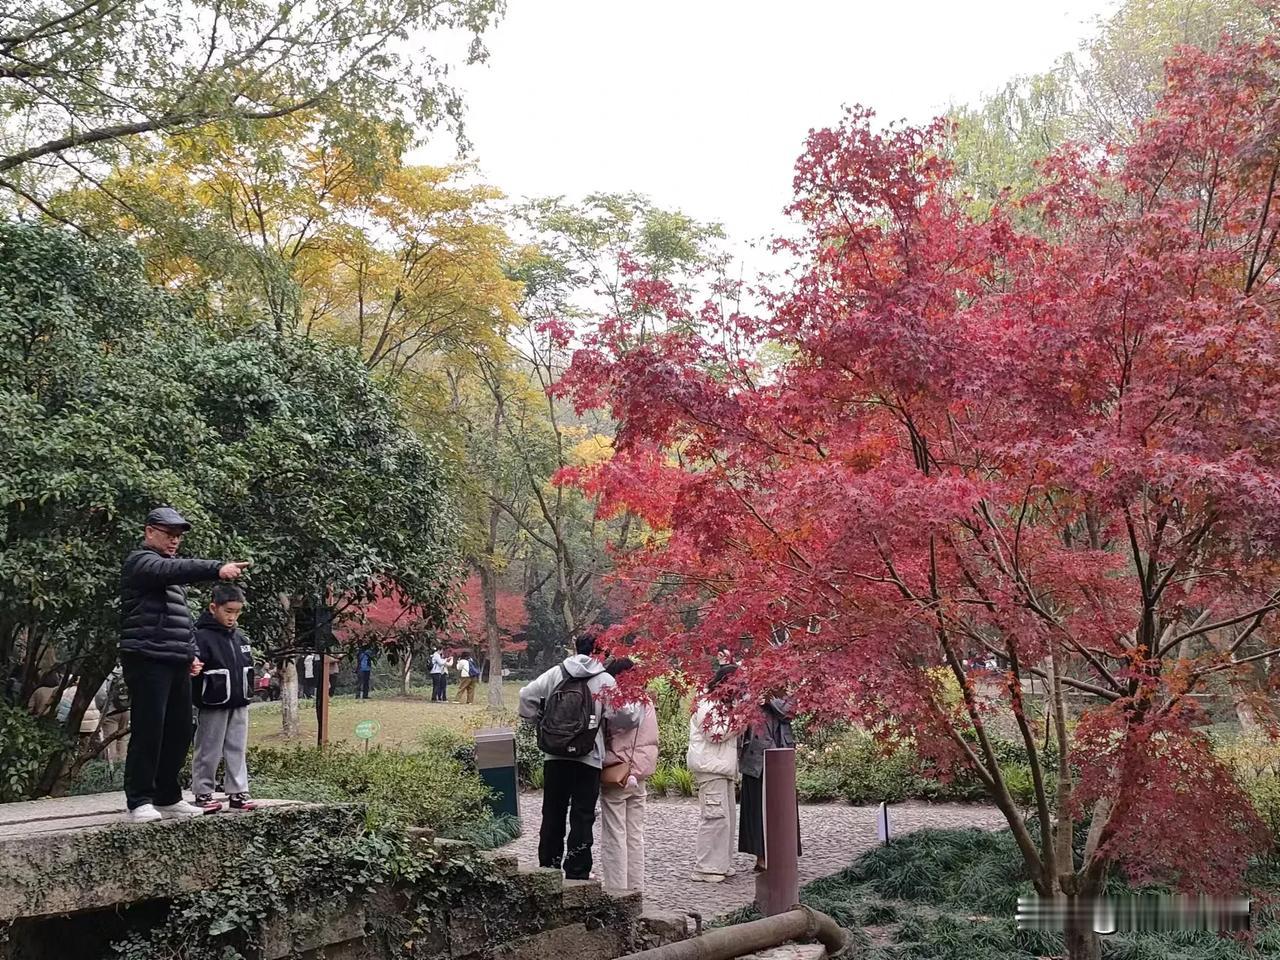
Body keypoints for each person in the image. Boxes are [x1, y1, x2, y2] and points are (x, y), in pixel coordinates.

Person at [119, 506, 249, 822]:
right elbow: (172, 571)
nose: (175, 541)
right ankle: (140, 800)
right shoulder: (142, 563)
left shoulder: (170, 570)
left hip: (175, 658)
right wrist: (217, 568)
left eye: (178, 536)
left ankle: (167, 796)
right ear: (150, 531)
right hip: (147, 656)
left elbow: (180, 620)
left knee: (179, 730)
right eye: (169, 534)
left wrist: (190, 652)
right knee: (149, 728)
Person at [519, 636, 640, 880]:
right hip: (588, 757)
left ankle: (548, 867)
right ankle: (577, 870)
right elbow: (625, 717)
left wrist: (540, 721)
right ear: (601, 653)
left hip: (554, 755)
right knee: (582, 815)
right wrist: (636, 709)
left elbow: (525, 697)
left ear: (576, 648)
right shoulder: (604, 679)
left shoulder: (556, 673)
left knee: (552, 812)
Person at [191, 584, 258, 812]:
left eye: (237, 612)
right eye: (228, 611)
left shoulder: (240, 638)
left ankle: (238, 792)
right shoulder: (200, 637)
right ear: (213, 608)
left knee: (236, 747)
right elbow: (193, 665)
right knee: (209, 747)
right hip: (213, 703)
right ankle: (203, 792)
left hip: (239, 702)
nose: (232, 617)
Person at [599, 658, 659, 892]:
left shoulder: (617, 703)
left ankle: (617, 892)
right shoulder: (646, 700)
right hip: (640, 774)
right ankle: (636, 889)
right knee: (635, 836)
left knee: (615, 835)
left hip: (617, 772)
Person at [687, 664, 742, 883]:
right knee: (714, 817)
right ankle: (706, 866)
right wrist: (740, 721)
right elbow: (714, 733)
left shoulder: (724, 705)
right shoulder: (707, 703)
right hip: (711, 767)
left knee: (725, 819)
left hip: (722, 767)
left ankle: (720, 863)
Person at [738, 696, 799, 871]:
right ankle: (760, 856)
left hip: (780, 752)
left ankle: (783, 854)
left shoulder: (785, 684)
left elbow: (789, 712)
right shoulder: (749, 685)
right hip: (755, 756)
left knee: (782, 808)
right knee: (756, 808)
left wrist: (770, 699)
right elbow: (740, 711)